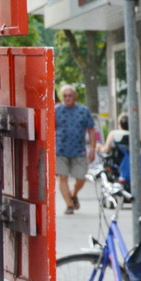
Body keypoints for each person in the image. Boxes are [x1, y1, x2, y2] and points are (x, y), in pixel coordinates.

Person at [53, 85, 96, 214]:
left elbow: (91, 130)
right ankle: (69, 205)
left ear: (75, 96)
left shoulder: (83, 110)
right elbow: (49, 129)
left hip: (79, 150)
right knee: (63, 177)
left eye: (70, 95)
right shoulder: (56, 110)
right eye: (65, 96)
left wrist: (93, 148)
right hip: (61, 150)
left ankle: (74, 193)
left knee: (81, 177)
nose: (68, 98)